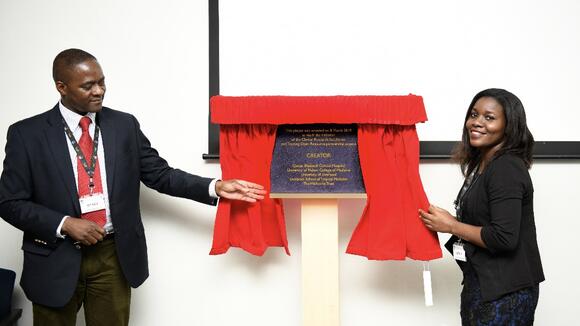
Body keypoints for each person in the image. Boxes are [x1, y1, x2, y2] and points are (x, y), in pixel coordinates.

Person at [0, 48, 266, 326]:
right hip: (54, 256)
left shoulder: (123, 125)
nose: (99, 90)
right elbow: (9, 202)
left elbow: (160, 175)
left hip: (112, 256)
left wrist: (215, 186)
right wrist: (65, 223)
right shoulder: (26, 134)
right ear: (61, 87)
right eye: (88, 85)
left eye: (102, 82)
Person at [419, 88, 544, 325]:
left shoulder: (506, 168)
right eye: (474, 115)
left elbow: (504, 237)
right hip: (484, 284)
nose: (476, 123)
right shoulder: (483, 163)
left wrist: (452, 226)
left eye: (489, 117)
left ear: (509, 125)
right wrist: (447, 220)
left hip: (505, 293)